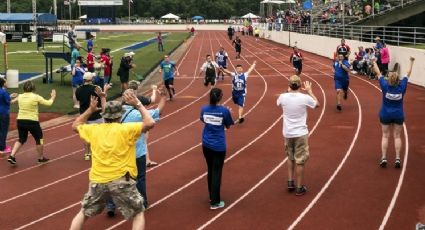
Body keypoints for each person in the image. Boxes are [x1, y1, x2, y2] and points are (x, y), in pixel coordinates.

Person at [69, 90, 155, 230]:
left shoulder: (94, 130)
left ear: (104, 116)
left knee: (83, 212)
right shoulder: (127, 129)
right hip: (121, 180)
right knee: (138, 213)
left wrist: (89, 110)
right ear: (120, 116)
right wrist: (138, 104)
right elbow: (150, 122)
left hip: (98, 180)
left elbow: (75, 126)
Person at [106, 87, 167, 216]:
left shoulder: (116, 113)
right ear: (135, 98)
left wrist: (103, 95)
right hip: (137, 153)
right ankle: (142, 203)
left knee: (115, 178)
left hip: (119, 152)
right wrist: (164, 98)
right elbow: (157, 113)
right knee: (139, 178)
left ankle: (111, 205)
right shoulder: (138, 114)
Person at [277, 75, 319, 196]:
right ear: (300, 85)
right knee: (300, 160)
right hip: (300, 133)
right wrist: (310, 91)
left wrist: (287, 91)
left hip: (288, 132)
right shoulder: (305, 98)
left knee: (290, 156)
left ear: (289, 85)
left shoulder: (283, 97)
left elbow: (278, 103)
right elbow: (317, 104)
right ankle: (299, 187)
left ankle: (290, 181)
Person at [371, 57, 415, 168]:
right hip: (398, 115)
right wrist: (411, 62)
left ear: (389, 79)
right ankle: (397, 159)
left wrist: (374, 62)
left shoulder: (385, 86)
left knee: (385, 136)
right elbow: (408, 73)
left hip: (385, 114)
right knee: (397, 136)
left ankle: (384, 157)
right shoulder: (402, 87)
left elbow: (378, 72)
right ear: (397, 79)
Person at [200, 88, 234, 209]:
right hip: (218, 146)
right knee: (216, 172)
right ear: (220, 97)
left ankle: (211, 195)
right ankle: (215, 202)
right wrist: (229, 113)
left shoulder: (204, 109)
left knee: (210, 169)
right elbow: (229, 125)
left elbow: (202, 119)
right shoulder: (224, 111)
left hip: (206, 144)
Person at [7, 81, 56, 165]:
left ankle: (12, 156)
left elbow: (11, 102)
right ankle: (40, 158)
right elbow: (49, 103)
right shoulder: (36, 97)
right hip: (32, 122)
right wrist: (53, 96)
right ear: (33, 88)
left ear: (24, 88)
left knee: (21, 139)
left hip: (20, 121)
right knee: (39, 139)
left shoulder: (20, 96)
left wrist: (12, 96)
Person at [75, 72, 110, 160]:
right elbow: (103, 97)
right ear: (92, 79)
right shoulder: (96, 88)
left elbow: (78, 100)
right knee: (98, 136)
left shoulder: (78, 89)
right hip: (96, 115)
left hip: (84, 116)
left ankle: (87, 154)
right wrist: (106, 90)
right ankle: (97, 153)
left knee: (86, 136)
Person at [127, 80, 159, 167]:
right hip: (139, 120)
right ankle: (147, 160)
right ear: (137, 88)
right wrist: (154, 90)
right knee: (143, 140)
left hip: (127, 120)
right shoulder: (138, 97)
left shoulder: (124, 97)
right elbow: (152, 100)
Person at [0, 78, 17, 154]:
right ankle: (2, 148)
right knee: (3, 131)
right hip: (4, 114)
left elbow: (4, 99)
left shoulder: (3, 92)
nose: (7, 83)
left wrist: (10, 95)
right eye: (6, 82)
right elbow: (10, 102)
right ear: (3, 83)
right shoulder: (4, 92)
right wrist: (17, 98)